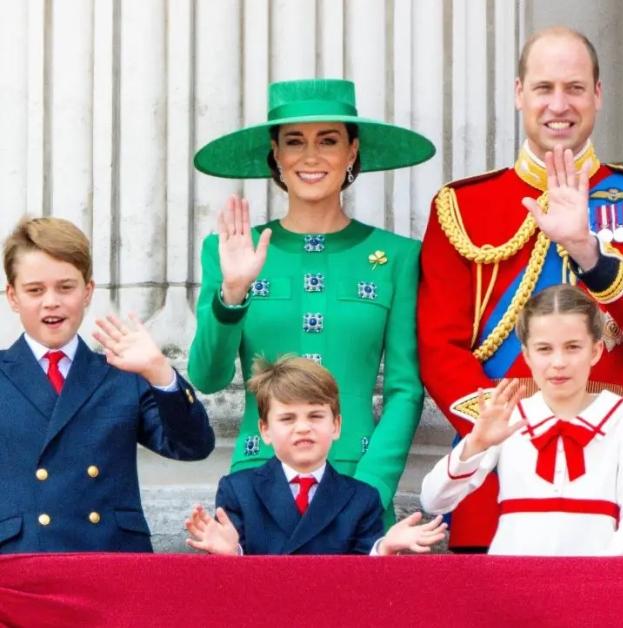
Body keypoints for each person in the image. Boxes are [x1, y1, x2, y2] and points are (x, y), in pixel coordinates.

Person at [418, 27, 623, 552]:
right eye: (544, 88)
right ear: (519, 92)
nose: (559, 105)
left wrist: (591, 254)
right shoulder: (463, 206)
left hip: (613, 465)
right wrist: (507, 434)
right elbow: (438, 347)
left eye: (575, 88)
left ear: (598, 94)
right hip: (498, 478)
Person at [188, 78, 434, 526]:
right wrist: (234, 292)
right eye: (295, 142)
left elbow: (405, 389)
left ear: (353, 151)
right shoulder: (227, 249)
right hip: (257, 485)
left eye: (329, 140)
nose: (311, 156)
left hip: (357, 483)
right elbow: (207, 377)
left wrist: (372, 488)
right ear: (276, 154)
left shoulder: (398, 257)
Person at [0, 217, 213, 553]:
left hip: (109, 559)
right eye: (35, 290)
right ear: (13, 296)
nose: (51, 301)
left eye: (66, 287)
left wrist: (159, 371)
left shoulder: (122, 373)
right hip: (20, 562)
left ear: (88, 292)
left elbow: (192, 446)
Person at [420, 285, 623, 555]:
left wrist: (599, 581)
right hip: (513, 584)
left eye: (572, 348)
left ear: (596, 351)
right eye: (544, 349)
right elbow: (434, 500)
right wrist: (476, 443)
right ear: (527, 355)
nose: (558, 362)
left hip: (596, 584)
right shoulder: (510, 417)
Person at [184, 356, 446, 555]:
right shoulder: (239, 490)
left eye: (315, 416)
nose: (303, 427)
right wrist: (233, 554)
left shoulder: (362, 499)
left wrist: (383, 548)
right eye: (287, 418)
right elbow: (230, 585)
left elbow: (363, 584)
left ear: (336, 425)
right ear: (265, 429)